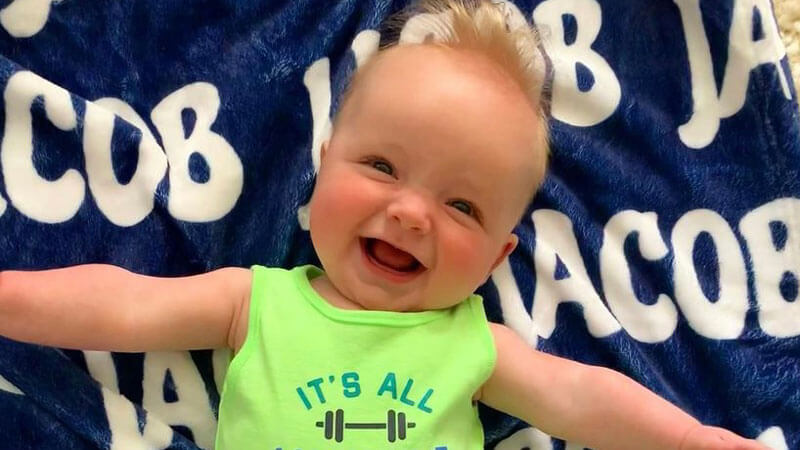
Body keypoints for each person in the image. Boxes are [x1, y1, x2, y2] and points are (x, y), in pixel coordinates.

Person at [0, 1, 768, 449]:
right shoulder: (256, 302)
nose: (409, 213)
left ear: (499, 256)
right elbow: (125, 304)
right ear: (323, 165)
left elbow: (586, 398)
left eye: (461, 207)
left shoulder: (476, 345)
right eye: (382, 168)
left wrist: (699, 441)